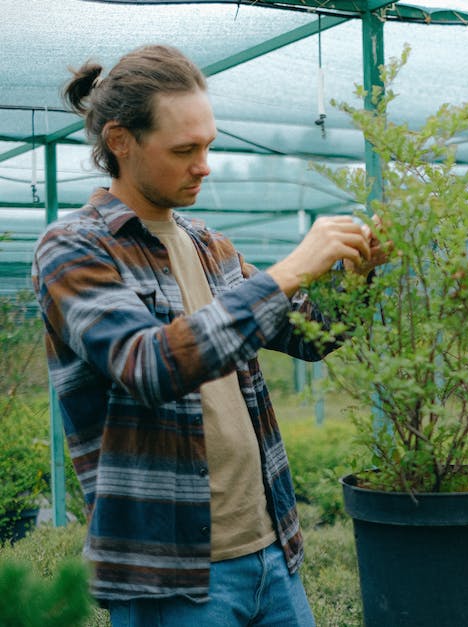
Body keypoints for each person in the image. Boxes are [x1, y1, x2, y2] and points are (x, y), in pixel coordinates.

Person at [32, 44, 384, 626]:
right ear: (120, 141)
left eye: (208, 146)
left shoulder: (207, 244)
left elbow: (312, 337)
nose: (204, 164)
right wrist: (290, 269)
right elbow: (148, 366)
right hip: (173, 575)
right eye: (184, 149)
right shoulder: (73, 248)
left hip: (273, 552)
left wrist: (357, 278)